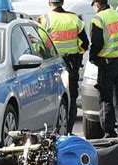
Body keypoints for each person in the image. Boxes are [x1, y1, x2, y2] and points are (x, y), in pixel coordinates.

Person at [38, 0, 89, 135]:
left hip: (51, 67)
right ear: (62, 2)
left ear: (50, 3)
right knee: (71, 99)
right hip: (71, 66)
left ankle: (49, 133)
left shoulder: (45, 19)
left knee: (50, 100)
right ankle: (68, 132)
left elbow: (40, 47)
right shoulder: (74, 18)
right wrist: (77, 56)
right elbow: (85, 43)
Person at [89, 0, 118, 143]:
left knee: (105, 99)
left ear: (97, 4)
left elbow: (97, 43)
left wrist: (92, 57)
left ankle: (109, 135)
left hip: (107, 64)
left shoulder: (99, 18)